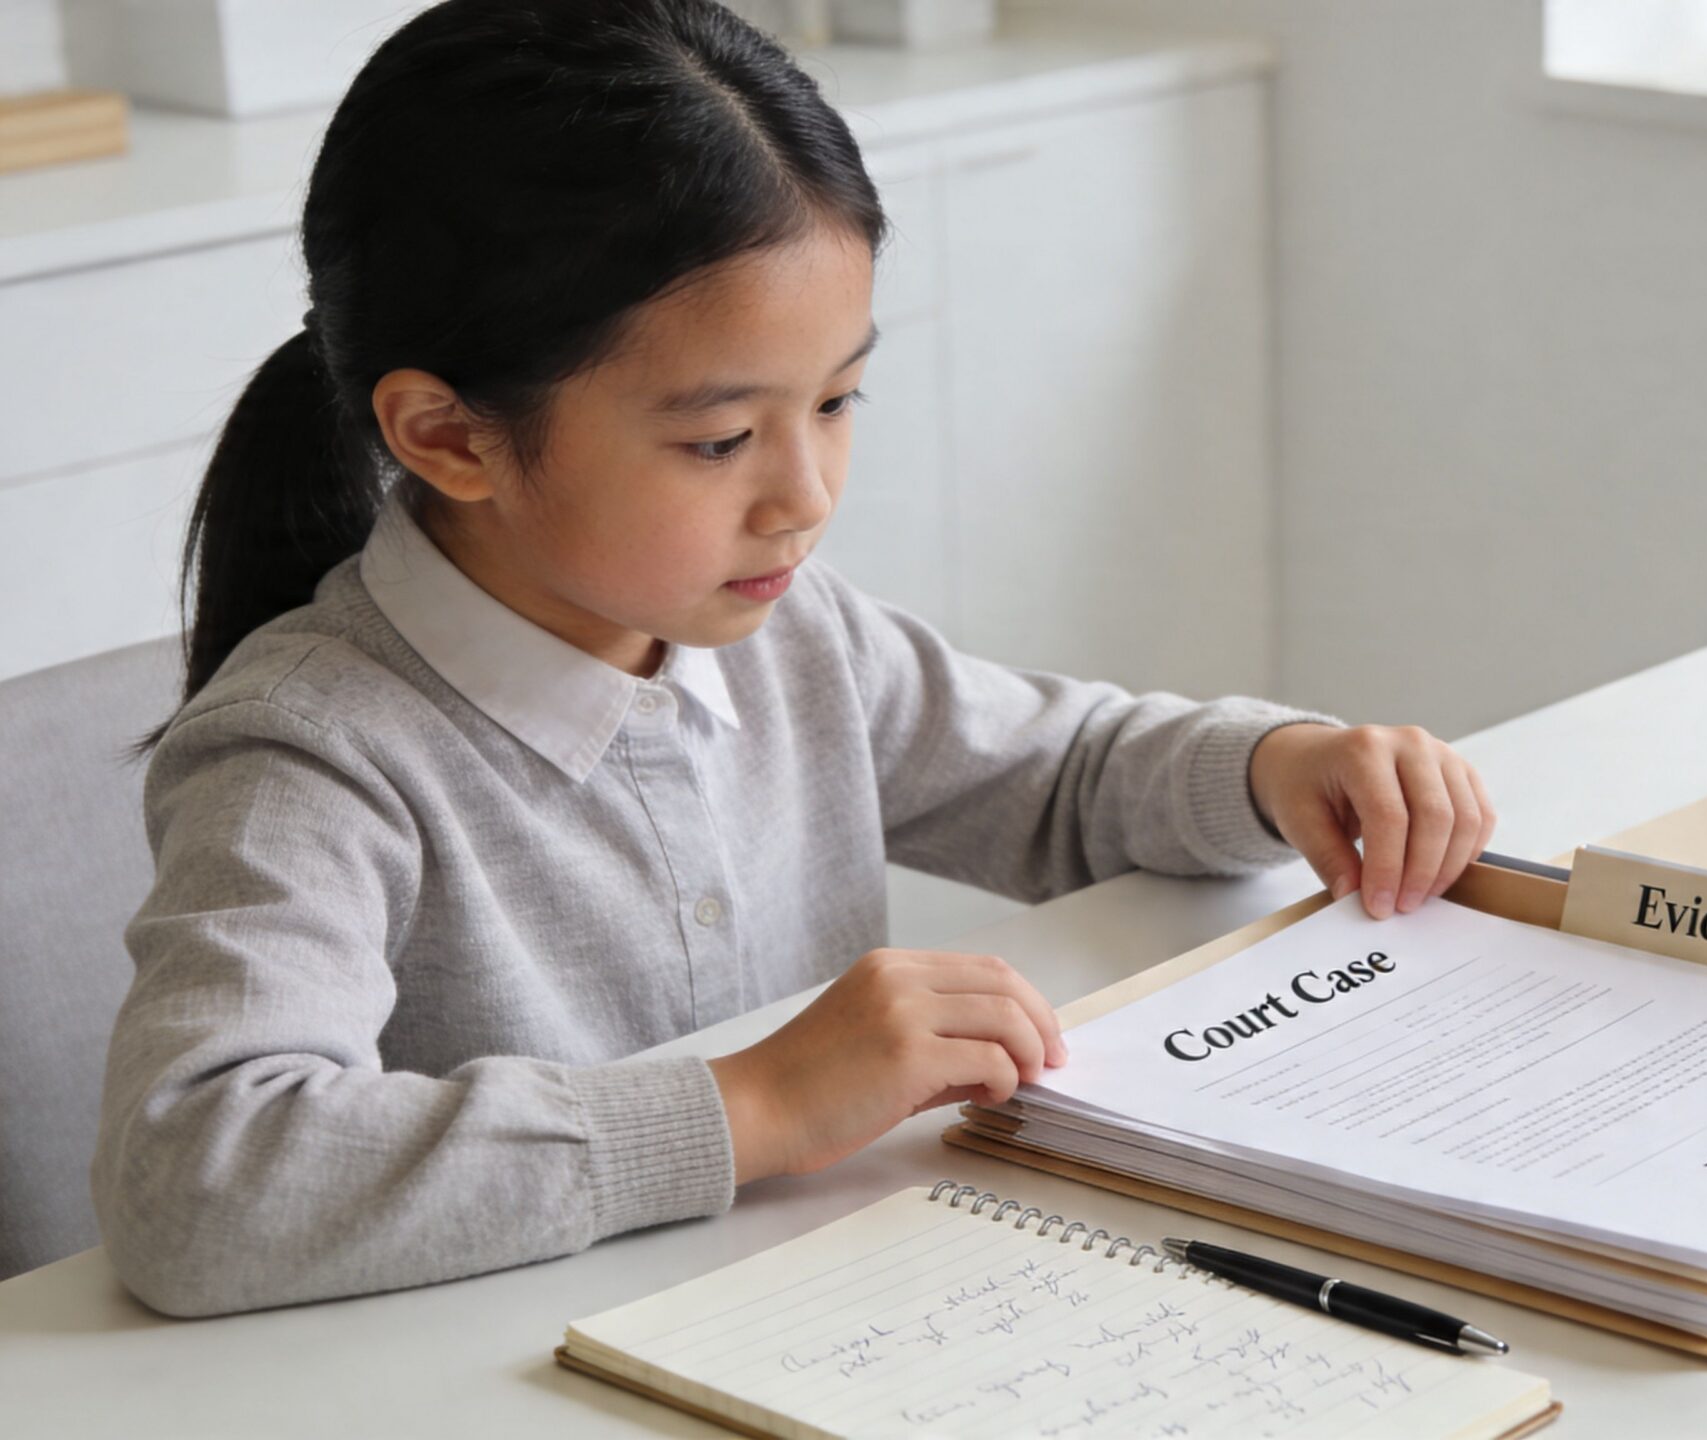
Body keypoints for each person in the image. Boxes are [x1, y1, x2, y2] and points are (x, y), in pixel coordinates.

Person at [94, 0, 1496, 1319]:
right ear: (450, 438)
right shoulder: (312, 751)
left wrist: (1274, 764)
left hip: (841, 1308)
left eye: (837, 401)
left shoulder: (789, 632)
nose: (806, 493)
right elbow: (199, 1179)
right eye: (719, 440)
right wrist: (749, 1107)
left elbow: (1060, 776)